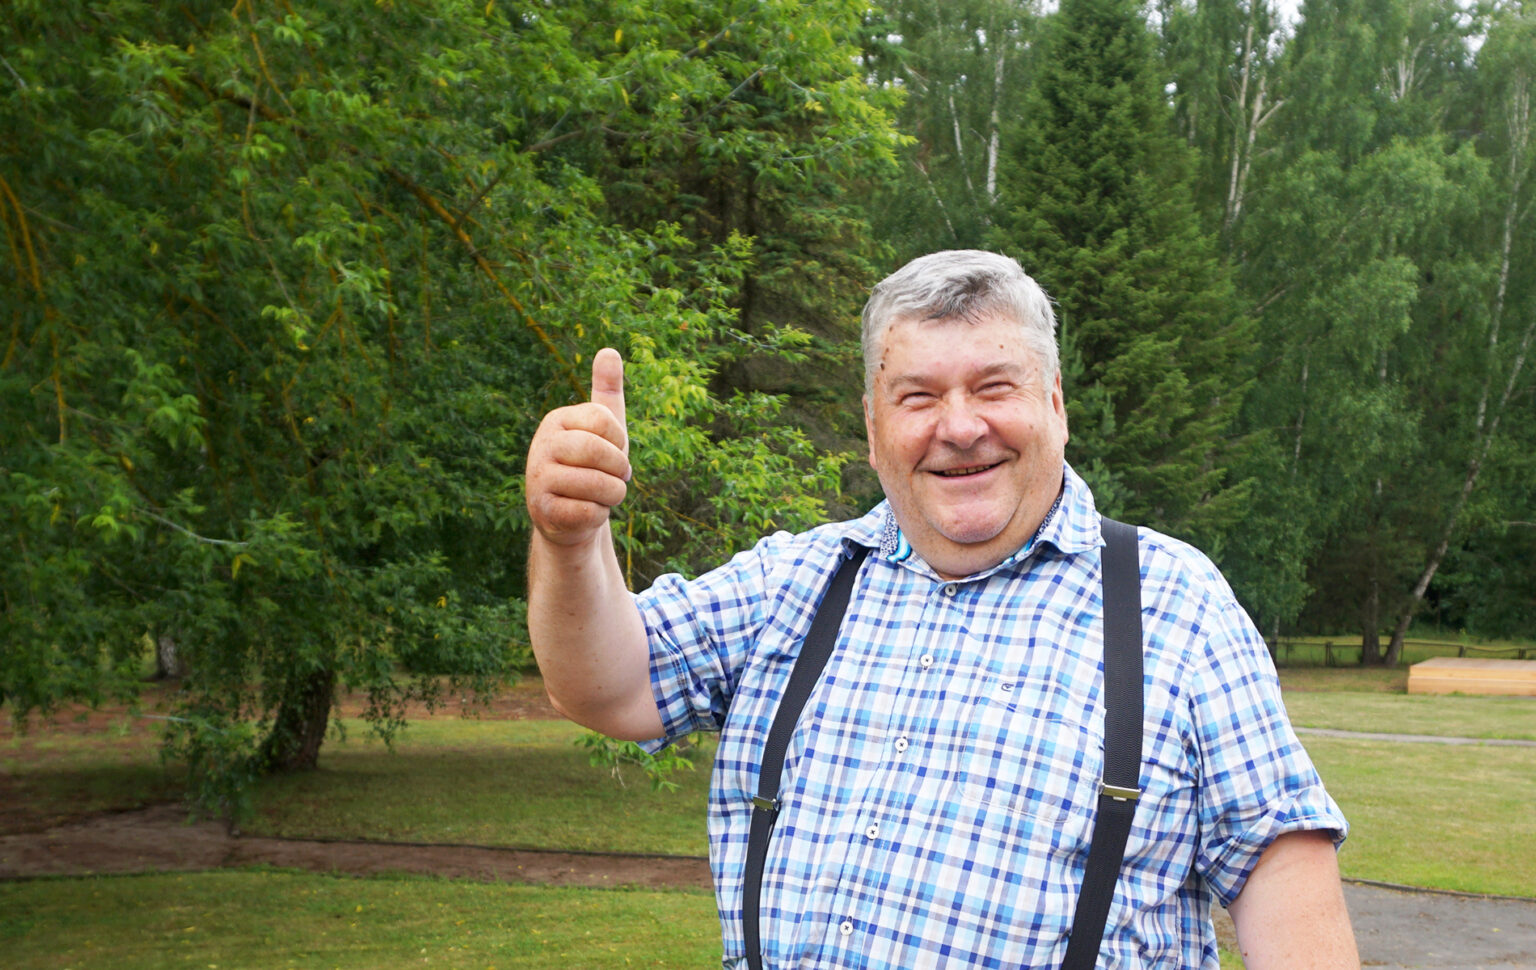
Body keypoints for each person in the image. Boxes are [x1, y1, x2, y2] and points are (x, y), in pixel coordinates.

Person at [526, 250, 1359, 969]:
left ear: (1056, 404)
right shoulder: (798, 581)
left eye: (994, 387)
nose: (960, 428)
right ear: (873, 423)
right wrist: (569, 543)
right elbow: (606, 686)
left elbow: (1279, 864)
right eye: (918, 397)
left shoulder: (1174, 606)